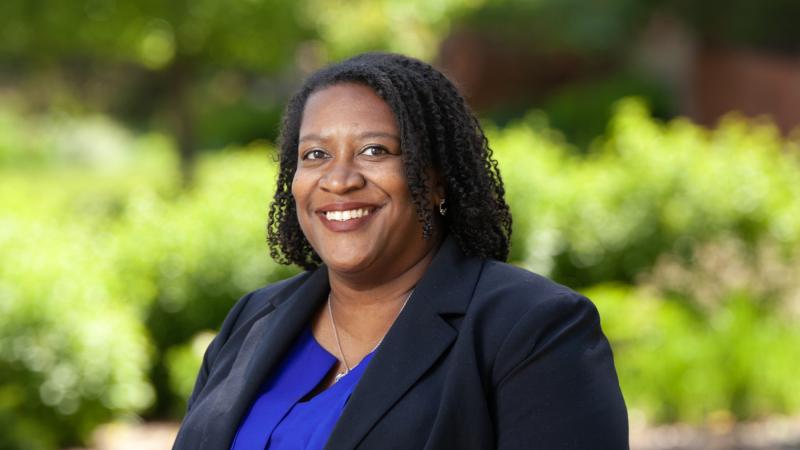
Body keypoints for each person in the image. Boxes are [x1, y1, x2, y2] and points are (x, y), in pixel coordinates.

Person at [172, 52, 628, 450]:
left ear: (435, 179)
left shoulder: (532, 330)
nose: (339, 179)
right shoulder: (253, 321)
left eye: (374, 150)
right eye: (314, 155)